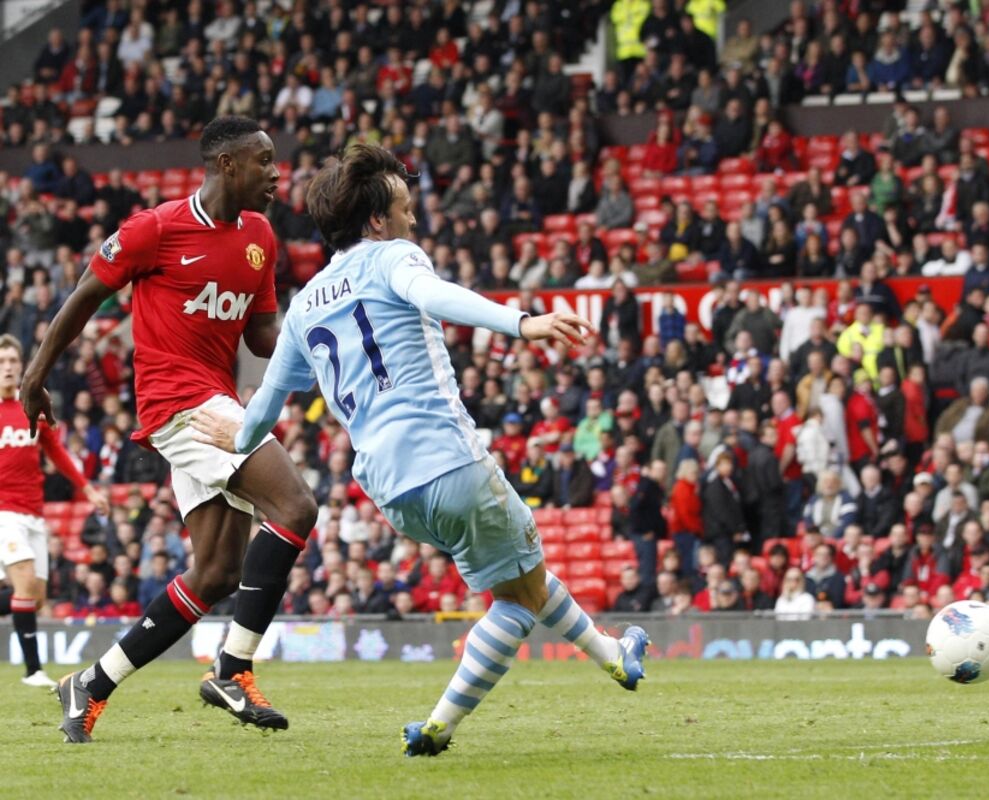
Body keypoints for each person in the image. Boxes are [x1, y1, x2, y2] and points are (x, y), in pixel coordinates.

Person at [188, 143, 648, 757]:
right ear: (376, 221)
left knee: (522, 576)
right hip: (448, 459)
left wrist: (239, 439)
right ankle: (439, 725)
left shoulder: (304, 307)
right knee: (517, 600)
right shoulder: (392, 258)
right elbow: (433, 295)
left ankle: (616, 656)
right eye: (404, 208)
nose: (413, 218)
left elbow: (269, 399)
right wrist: (522, 322)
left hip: (390, 492)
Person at [22, 117, 319, 743]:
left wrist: (320, 334)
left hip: (216, 401)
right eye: (264, 161)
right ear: (227, 165)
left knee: (215, 574)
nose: (276, 173)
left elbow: (262, 335)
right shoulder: (154, 229)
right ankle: (233, 670)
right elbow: (84, 296)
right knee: (295, 506)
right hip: (177, 404)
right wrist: (35, 375)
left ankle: (90, 684)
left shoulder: (260, 236)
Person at [0, 335, 108, 687]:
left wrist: (88, 488)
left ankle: (33, 667)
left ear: (22, 366)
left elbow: (57, 452)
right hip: (4, 513)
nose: (8, 368)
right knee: (25, 583)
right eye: (2, 362)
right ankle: (33, 671)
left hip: (34, 513)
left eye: (13, 361)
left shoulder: (32, 406)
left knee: (36, 597)